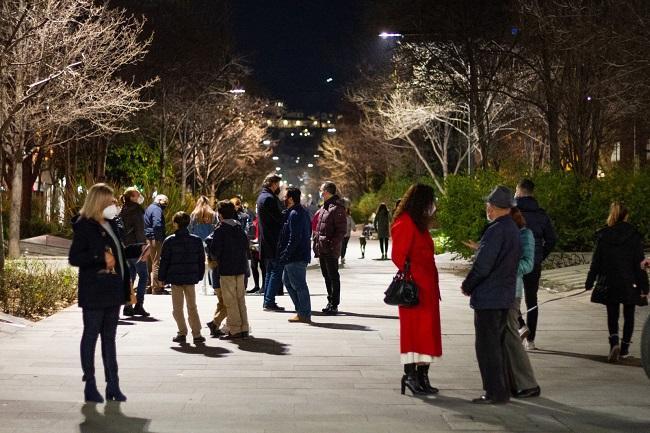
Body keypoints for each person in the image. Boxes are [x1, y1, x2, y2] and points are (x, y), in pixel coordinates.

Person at [69, 183, 130, 403]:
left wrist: (127, 282)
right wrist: (99, 258)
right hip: (94, 290)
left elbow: (118, 255)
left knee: (110, 339)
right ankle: (90, 384)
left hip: (113, 289)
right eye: (110, 201)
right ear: (99, 202)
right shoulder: (85, 226)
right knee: (91, 335)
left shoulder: (111, 224)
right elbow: (75, 258)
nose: (114, 205)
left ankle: (113, 384)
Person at [461, 185, 520, 405]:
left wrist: (468, 284)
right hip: (504, 295)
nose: (487, 208)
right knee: (497, 345)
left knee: (487, 347)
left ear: (493, 207)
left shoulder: (496, 230)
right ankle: (501, 390)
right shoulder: (512, 229)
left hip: (490, 298)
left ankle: (494, 392)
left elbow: (484, 265)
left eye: (488, 205)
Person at [391, 184, 442, 396]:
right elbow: (398, 256)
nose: (434, 206)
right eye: (432, 201)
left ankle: (422, 375)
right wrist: (414, 275)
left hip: (427, 288)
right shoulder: (406, 223)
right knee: (415, 333)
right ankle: (411, 375)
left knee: (427, 334)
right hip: (415, 290)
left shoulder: (419, 224)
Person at [585, 202, 649, 362]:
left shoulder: (603, 235)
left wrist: (590, 281)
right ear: (626, 215)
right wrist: (645, 286)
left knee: (612, 314)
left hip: (609, 281)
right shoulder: (634, 236)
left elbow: (596, 261)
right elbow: (639, 263)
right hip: (630, 282)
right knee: (629, 315)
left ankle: (614, 343)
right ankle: (624, 349)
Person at [515, 179, 557, 350]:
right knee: (532, 299)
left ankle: (520, 325)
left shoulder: (513, 211)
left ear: (519, 191)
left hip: (515, 261)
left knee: (510, 297)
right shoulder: (542, 214)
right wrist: (539, 256)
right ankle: (530, 341)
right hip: (534, 261)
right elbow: (552, 239)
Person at [506, 207, 540, 398]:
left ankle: (527, 384)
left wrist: (505, 267)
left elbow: (527, 264)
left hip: (512, 291)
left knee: (512, 340)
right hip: (499, 290)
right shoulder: (503, 232)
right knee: (505, 339)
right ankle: (513, 381)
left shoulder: (525, 234)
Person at [158, 212, 206, 345]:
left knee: (177, 308)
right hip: (190, 278)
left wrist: (161, 277)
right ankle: (197, 333)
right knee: (192, 306)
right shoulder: (196, 240)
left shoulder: (170, 241)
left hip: (175, 278)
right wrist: (199, 275)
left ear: (175, 223)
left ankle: (182, 332)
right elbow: (201, 260)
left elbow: (164, 261)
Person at [208, 201, 251, 339]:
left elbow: (215, 251)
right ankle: (244, 327)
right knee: (240, 299)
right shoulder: (239, 228)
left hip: (226, 269)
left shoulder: (220, 230)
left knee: (230, 301)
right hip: (240, 268)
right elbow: (246, 246)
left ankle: (234, 329)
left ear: (220, 214)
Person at [278, 187, 312, 323]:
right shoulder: (297, 212)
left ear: (291, 198)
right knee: (288, 282)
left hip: (296, 255)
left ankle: (304, 313)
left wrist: (286, 253)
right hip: (296, 254)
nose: (283, 199)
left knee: (299, 285)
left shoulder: (296, 213)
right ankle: (301, 311)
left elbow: (295, 237)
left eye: (285, 196)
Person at [313, 181, 347, 315]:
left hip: (330, 249)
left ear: (327, 192)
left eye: (321, 190)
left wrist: (331, 245)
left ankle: (334, 304)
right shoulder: (324, 207)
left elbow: (341, 231)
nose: (320, 193)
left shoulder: (337, 208)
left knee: (333, 276)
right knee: (326, 276)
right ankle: (330, 301)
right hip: (322, 248)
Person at [119, 187, 150, 317]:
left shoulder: (123, 209)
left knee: (130, 276)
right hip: (136, 246)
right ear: (131, 197)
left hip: (125, 247)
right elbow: (139, 229)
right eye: (137, 195)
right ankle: (139, 305)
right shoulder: (136, 209)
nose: (139, 196)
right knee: (143, 276)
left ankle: (127, 306)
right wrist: (144, 245)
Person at [256, 174, 286, 311]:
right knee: (276, 271)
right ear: (273, 184)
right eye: (277, 184)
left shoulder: (262, 197)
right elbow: (278, 218)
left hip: (267, 240)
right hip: (274, 240)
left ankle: (267, 300)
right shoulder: (269, 199)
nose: (278, 187)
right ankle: (269, 301)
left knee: (269, 271)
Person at [189, 196, 218, 295]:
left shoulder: (194, 214)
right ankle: (210, 286)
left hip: (197, 242)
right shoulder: (213, 214)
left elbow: (190, 229)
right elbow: (216, 228)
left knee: (200, 264)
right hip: (210, 242)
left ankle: (203, 286)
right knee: (210, 265)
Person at [144, 194, 169, 295]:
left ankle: (149, 286)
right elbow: (157, 224)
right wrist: (160, 238)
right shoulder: (157, 209)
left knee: (149, 263)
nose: (165, 205)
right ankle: (157, 288)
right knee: (156, 263)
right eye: (165, 202)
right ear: (158, 200)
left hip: (148, 238)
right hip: (155, 239)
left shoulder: (149, 208)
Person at [246, 214, 266, 294]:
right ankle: (256, 285)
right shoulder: (254, 221)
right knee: (253, 266)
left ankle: (264, 286)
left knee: (262, 267)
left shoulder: (263, 221)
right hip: (253, 246)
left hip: (261, 246)